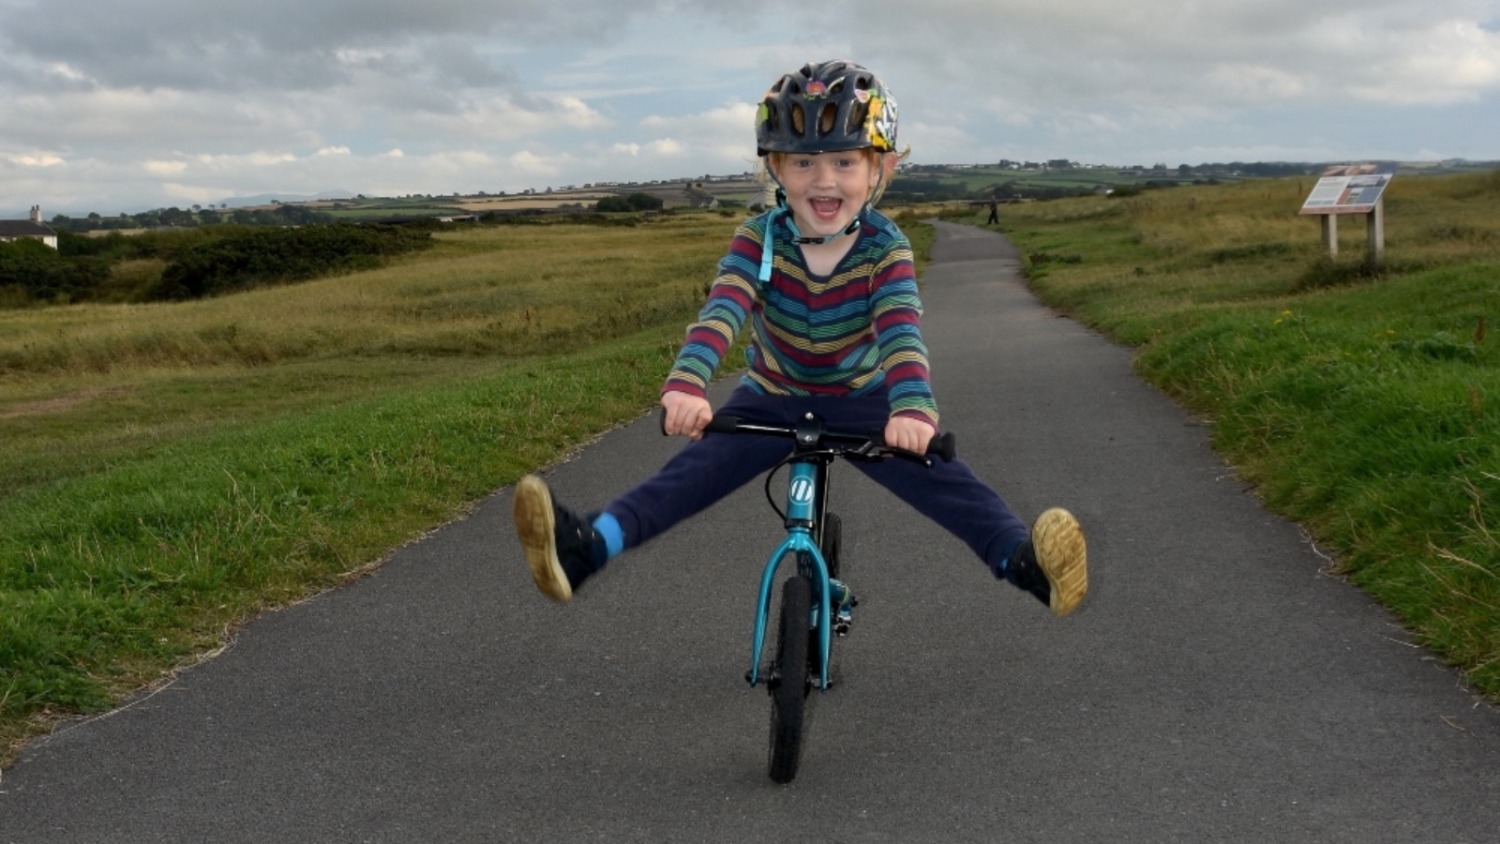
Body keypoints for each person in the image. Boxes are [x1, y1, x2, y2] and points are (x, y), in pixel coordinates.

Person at [512, 60, 1087, 616]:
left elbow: (900, 332)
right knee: (692, 473)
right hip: (771, 394)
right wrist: (686, 384)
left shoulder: (886, 249)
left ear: (879, 171)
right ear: (777, 170)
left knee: (940, 477)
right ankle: (588, 547)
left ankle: (1025, 562)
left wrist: (911, 408)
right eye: (804, 164)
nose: (824, 180)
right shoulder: (758, 240)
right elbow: (723, 311)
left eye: (843, 161)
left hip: (862, 399)